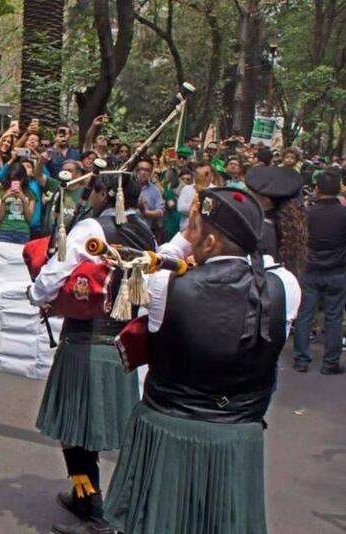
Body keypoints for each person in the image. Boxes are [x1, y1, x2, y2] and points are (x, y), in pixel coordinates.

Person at [100, 188, 301, 534]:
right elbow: (263, 267)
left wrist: (179, 245)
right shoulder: (286, 287)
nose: (187, 236)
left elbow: (157, 259)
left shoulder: (165, 285)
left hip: (168, 429)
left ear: (208, 244)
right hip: (236, 436)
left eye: (192, 229)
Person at [29, 172, 155, 534]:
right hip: (120, 342)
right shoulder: (146, 233)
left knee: (74, 430)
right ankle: (83, 494)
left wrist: (37, 296)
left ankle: (96, 507)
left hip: (85, 340)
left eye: (95, 191)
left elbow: (54, 275)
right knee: (88, 428)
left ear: (105, 192)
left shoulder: (92, 229)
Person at [291, 169, 346, 374]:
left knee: (305, 314)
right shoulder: (343, 214)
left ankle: (301, 359)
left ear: (317, 188)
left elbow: (298, 241)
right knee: (334, 317)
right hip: (337, 271)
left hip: (309, 269)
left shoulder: (307, 213)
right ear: (339, 188)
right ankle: (330, 362)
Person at [246, 165, 309, 276]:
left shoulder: (261, 230)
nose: (247, 195)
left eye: (252, 192)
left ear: (266, 200)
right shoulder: (290, 223)